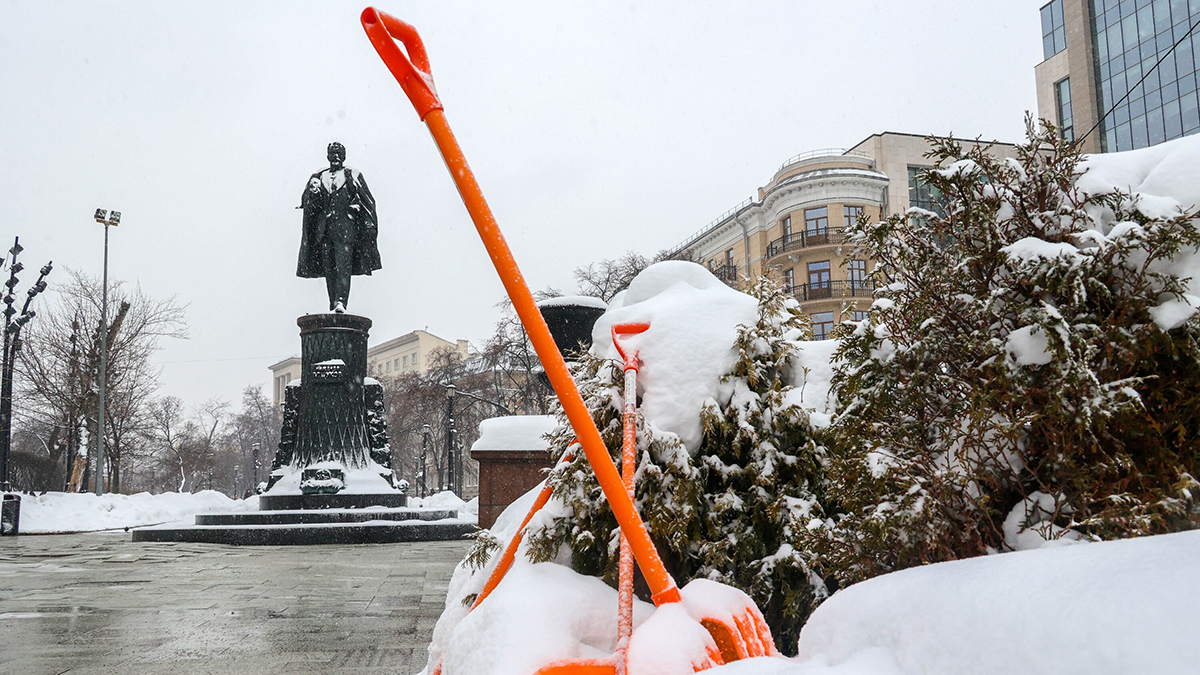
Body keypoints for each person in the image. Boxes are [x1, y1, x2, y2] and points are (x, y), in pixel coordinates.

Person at [296, 142, 382, 312]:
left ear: (344, 156)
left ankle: (341, 302)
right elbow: (312, 206)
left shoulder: (352, 175)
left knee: (343, 267)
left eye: (338, 153)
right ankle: (333, 302)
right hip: (324, 231)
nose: (335, 157)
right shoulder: (319, 176)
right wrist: (313, 194)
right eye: (332, 153)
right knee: (329, 268)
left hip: (345, 230)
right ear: (327, 156)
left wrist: (368, 223)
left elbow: (367, 201)